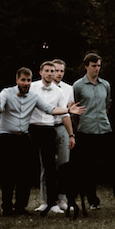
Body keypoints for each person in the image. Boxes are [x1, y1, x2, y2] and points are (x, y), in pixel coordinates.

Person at [0, 67, 84, 217]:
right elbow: (0, 107)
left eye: (28, 80)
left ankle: (20, 207)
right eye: (23, 80)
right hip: (7, 137)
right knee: (9, 173)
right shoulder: (6, 93)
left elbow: (50, 109)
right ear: (17, 80)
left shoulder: (34, 97)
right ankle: (6, 207)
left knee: (25, 173)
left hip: (23, 136)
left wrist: (68, 111)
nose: (26, 83)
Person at [72, 53, 115, 210]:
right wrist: (80, 126)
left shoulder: (105, 85)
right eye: (93, 66)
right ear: (86, 66)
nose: (97, 69)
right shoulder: (78, 86)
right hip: (86, 131)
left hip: (105, 130)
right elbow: (74, 111)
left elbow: (107, 106)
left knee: (114, 167)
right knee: (87, 169)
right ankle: (93, 201)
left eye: (98, 66)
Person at [31, 60, 76, 215]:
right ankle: (46, 201)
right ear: (41, 72)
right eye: (50, 71)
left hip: (55, 127)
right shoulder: (33, 87)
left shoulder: (63, 90)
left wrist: (71, 134)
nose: (53, 73)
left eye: (56, 71)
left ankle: (60, 200)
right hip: (36, 128)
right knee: (45, 166)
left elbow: (64, 113)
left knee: (60, 165)